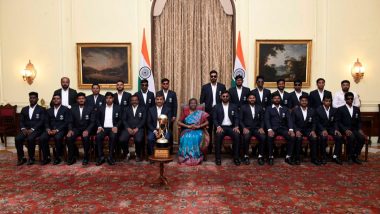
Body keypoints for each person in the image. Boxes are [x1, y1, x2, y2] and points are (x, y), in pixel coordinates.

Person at [15, 92, 45, 166]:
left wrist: (32, 129)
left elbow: (41, 121)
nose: (32, 99)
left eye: (34, 98)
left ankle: (31, 158)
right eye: (30, 98)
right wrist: (23, 128)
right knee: (17, 138)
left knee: (30, 138)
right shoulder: (24, 109)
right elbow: (21, 121)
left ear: (37, 99)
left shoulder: (41, 109)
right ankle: (21, 158)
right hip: (25, 130)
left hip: (37, 130)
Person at [200, 70, 226, 153]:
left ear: (217, 77)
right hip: (208, 111)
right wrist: (203, 112)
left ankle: (218, 147)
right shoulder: (205, 87)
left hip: (219, 111)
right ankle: (209, 147)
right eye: (212, 76)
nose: (213, 77)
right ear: (210, 77)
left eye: (215, 76)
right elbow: (202, 100)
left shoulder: (222, 86)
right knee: (208, 130)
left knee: (218, 129)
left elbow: (225, 99)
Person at [265, 94, 295, 165]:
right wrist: (269, 129)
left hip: (283, 129)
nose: (277, 99)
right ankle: (270, 156)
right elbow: (267, 120)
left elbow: (289, 119)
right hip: (273, 129)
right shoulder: (268, 108)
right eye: (275, 98)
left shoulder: (285, 108)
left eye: (278, 98)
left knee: (292, 137)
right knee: (269, 137)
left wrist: (291, 129)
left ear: (280, 99)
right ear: (272, 100)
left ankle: (288, 156)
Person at [40, 94, 70, 165]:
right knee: (42, 138)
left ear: (60, 100)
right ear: (52, 100)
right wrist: (48, 129)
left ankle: (58, 157)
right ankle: (46, 157)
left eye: (58, 98)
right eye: (54, 99)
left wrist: (57, 130)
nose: (56, 100)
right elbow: (46, 122)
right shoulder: (48, 110)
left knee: (58, 137)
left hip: (61, 130)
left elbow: (66, 122)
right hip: (50, 130)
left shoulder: (65, 109)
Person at [177, 98, 209, 165]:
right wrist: (188, 126)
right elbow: (179, 122)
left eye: (194, 103)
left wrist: (199, 126)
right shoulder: (185, 112)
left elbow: (207, 122)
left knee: (196, 136)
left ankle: (196, 157)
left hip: (198, 129)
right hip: (187, 129)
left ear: (196, 104)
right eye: (191, 103)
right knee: (186, 137)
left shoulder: (200, 113)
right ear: (189, 104)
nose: (193, 104)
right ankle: (185, 157)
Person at [337, 92, 366, 164]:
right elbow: (338, 122)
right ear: (345, 99)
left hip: (355, 129)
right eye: (348, 98)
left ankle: (355, 155)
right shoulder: (340, 109)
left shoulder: (356, 109)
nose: (350, 100)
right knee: (351, 137)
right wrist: (345, 130)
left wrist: (359, 129)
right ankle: (349, 156)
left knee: (362, 138)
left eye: (351, 98)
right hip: (345, 130)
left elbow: (359, 121)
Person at [66, 92, 95, 165]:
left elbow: (92, 122)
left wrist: (87, 130)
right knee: (69, 138)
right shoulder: (73, 108)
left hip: (86, 128)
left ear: (85, 99)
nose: (81, 100)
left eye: (82, 98)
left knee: (85, 138)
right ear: (77, 100)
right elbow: (70, 121)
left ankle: (86, 158)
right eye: (79, 99)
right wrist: (70, 130)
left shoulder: (90, 108)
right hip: (76, 129)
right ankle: (72, 158)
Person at [213, 91, 240, 166]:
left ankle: (236, 158)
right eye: (223, 96)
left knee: (237, 135)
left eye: (227, 96)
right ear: (221, 97)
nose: (225, 97)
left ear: (229, 97)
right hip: (221, 127)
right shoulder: (216, 106)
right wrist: (218, 127)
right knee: (218, 136)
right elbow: (214, 119)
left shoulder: (234, 106)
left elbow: (236, 117)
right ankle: (218, 158)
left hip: (231, 127)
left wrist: (236, 126)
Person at [95, 92, 122, 166]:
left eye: (110, 98)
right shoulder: (101, 107)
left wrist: (116, 126)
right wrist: (99, 126)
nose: (108, 99)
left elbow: (121, 119)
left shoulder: (118, 107)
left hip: (113, 128)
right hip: (103, 128)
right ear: (105, 99)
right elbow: (97, 119)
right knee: (98, 137)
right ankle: (101, 157)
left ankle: (110, 157)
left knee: (113, 137)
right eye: (107, 98)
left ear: (113, 99)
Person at [291, 95, 319, 165]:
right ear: (299, 101)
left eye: (305, 101)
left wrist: (313, 130)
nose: (304, 102)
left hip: (308, 130)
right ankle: (297, 158)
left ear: (308, 102)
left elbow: (314, 122)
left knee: (314, 138)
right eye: (302, 101)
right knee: (298, 138)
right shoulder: (295, 110)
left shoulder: (312, 110)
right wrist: (296, 130)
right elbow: (292, 122)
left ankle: (314, 158)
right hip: (298, 129)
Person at [239, 93, 266, 165]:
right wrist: (244, 128)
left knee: (263, 137)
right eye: (250, 98)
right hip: (247, 128)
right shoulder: (243, 107)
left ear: (255, 99)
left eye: (253, 98)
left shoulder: (259, 107)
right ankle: (246, 156)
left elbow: (262, 119)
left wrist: (261, 128)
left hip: (257, 128)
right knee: (246, 137)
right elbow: (240, 120)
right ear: (248, 99)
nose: (252, 99)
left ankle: (260, 156)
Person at [315, 96, 343, 165]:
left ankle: (335, 156)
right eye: (326, 101)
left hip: (331, 128)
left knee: (339, 137)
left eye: (329, 101)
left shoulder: (334, 110)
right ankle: (323, 156)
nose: (328, 102)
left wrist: (336, 129)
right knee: (323, 137)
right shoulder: (318, 110)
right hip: (321, 128)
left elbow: (336, 121)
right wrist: (323, 130)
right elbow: (317, 122)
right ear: (323, 101)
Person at [119, 95, 146, 162]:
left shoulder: (143, 108)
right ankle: (127, 154)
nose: (134, 101)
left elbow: (144, 120)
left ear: (138, 101)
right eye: (132, 100)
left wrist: (137, 128)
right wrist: (128, 128)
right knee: (122, 139)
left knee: (138, 140)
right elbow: (124, 120)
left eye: (136, 100)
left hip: (138, 129)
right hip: (128, 129)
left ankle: (138, 155)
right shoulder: (126, 108)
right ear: (130, 101)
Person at [156, 78, 178, 153]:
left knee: (169, 132)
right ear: (162, 84)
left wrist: (174, 115)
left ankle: (170, 150)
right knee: (160, 131)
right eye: (164, 83)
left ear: (168, 84)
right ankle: (160, 148)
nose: (165, 85)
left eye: (167, 83)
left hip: (170, 117)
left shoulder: (172, 93)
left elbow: (175, 105)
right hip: (160, 117)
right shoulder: (158, 93)